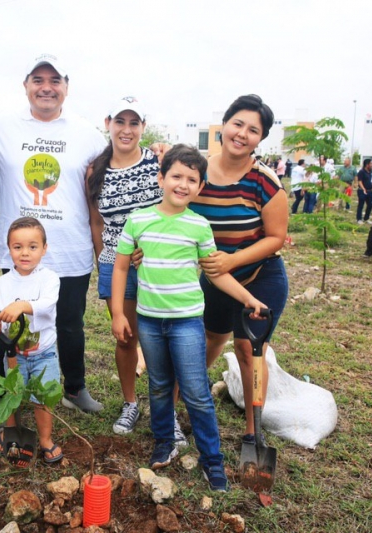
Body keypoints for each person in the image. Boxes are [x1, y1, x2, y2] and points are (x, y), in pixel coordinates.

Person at [111, 144, 266, 492]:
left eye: (191, 180)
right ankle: (164, 441)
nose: (182, 184)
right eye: (176, 176)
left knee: (196, 391)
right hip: (149, 321)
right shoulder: (139, 220)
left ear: (200, 187)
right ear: (161, 178)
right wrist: (119, 313)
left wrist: (248, 298)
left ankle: (213, 460)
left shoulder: (198, 226)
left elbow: (215, 272)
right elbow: (121, 267)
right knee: (159, 385)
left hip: (186, 322)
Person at [0, 54, 108, 414]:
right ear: (26, 86)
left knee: (70, 324)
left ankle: (74, 388)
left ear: (66, 87)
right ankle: (10, 388)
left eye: (54, 80)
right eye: (38, 80)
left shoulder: (88, 134)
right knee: (12, 321)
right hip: (21, 252)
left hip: (70, 251)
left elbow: (112, 170)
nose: (46, 88)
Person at [189, 94, 288, 449]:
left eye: (253, 130)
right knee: (209, 341)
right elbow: (172, 213)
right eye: (238, 124)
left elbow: (276, 237)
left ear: (260, 139)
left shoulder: (265, 182)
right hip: (216, 279)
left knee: (249, 350)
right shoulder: (196, 173)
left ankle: (252, 431)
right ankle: (179, 402)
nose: (242, 134)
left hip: (261, 276)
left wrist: (233, 260)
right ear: (224, 125)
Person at [86, 96, 162, 436]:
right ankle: (130, 402)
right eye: (120, 122)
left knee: (161, 338)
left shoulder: (159, 162)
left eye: (134, 123)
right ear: (108, 124)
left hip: (158, 266)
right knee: (126, 337)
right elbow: (96, 223)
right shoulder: (95, 171)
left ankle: (165, 408)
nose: (126, 130)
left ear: (143, 127)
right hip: (115, 266)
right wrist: (107, 259)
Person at [0, 217, 62, 463]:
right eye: (17, 247)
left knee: (44, 397)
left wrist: (22, 305)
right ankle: (10, 432)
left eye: (33, 246)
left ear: (44, 248)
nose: (25, 253)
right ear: (9, 249)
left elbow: (47, 304)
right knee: (12, 394)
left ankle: (45, 439)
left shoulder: (49, 278)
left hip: (44, 353)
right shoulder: (3, 283)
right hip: (14, 354)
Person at [356, 158, 372, 224]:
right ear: (367, 165)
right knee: (361, 205)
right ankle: (359, 219)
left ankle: (366, 218)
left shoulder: (370, 172)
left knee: (370, 205)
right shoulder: (361, 172)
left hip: (370, 191)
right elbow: (360, 181)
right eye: (371, 163)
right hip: (362, 191)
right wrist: (363, 189)